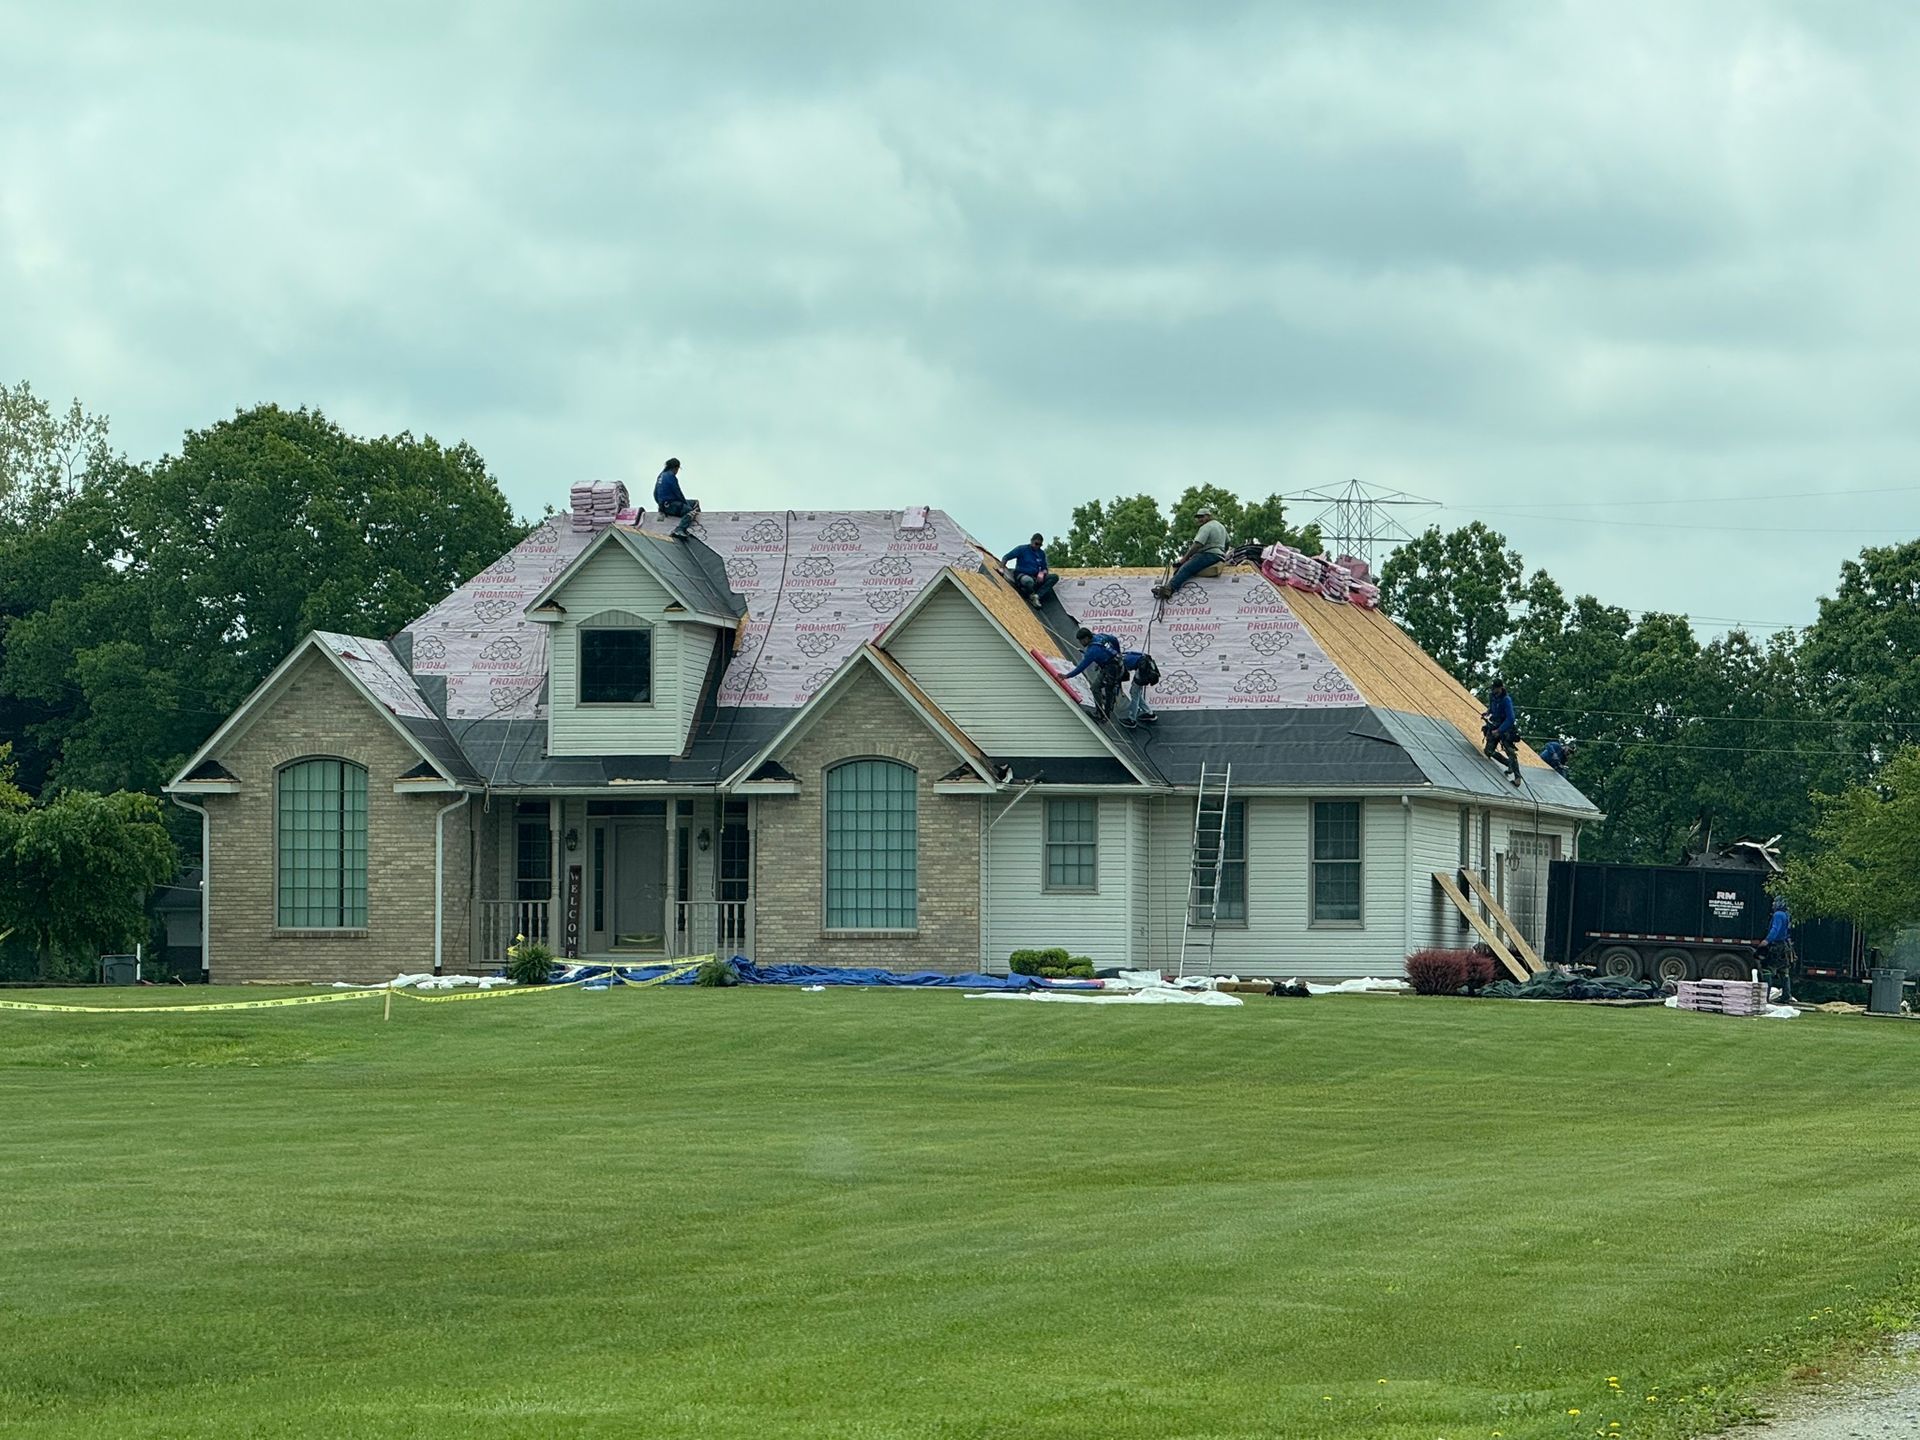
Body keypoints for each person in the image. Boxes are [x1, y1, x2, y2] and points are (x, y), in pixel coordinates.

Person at [1152, 508, 1229, 601]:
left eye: (1202, 517)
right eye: (1198, 517)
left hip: (1208, 554)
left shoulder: (1206, 527)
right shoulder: (1221, 527)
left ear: (1208, 516)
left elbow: (1197, 544)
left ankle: (1168, 589)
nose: (1199, 519)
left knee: (1185, 568)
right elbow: (1228, 542)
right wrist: (1222, 552)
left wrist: (1183, 559)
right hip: (1218, 556)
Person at [1063, 627, 1125, 721]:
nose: (1080, 643)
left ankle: (1103, 715)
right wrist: (1118, 652)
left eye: (1081, 640)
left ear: (1087, 638)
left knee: (1101, 690)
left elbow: (1081, 667)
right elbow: (1114, 639)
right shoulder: (1099, 636)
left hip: (1111, 670)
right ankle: (1103, 710)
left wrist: (1067, 676)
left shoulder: (1092, 651)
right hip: (1116, 664)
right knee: (1102, 689)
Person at [1482, 678, 1521, 787]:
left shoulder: (1506, 700)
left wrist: (1499, 731)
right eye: (1492, 688)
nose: (1493, 690)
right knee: (1488, 751)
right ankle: (1508, 764)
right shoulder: (1492, 697)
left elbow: (1511, 718)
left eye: (1495, 688)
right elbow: (1492, 709)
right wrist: (1487, 713)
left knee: (1510, 751)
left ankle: (1517, 777)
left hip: (1506, 727)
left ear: (1500, 688)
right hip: (1495, 724)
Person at [1001, 534, 1058, 608]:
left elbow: (1045, 568)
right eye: (1036, 544)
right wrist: (1002, 568)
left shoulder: (1041, 553)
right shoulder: (1022, 549)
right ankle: (1030, 595)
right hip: (1022, 575)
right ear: (1031, 541)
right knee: (1028, 581)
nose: (1037, 546)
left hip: (1035, 577)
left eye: (1040, 545)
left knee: (1054, 577)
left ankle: (1037, 596)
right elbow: (1006, 557)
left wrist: (1042, 573)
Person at [653, 458, 700, 539]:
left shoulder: (661, 475)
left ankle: (690, 522)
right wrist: (685, 504)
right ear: (676, 468)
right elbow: (677, 492)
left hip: (665, 504)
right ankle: (680, 529)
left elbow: (655, 493)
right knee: (690, 511)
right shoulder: (671, 476)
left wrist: (660, 506)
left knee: (695, 502)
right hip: (671, 505)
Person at [1760, 896, 1794, 1002]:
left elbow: (1775, 929)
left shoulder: (1778, 915)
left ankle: (1765, 996)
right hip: (1785, 946)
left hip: (1776, 946)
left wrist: (1767, 940)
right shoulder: (1786, 915)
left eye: (1775, 902)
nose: (1773, 904)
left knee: (1767, 969)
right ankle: (1786, 995)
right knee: (1784, 971)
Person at [1119, 650, 1159, 728]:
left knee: (1134, 695)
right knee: (1135, 693)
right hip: (1147, 666)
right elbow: (1143, 654)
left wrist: (1120, 689)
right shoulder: (1126, 653)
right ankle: (1149, 713)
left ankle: (1132, 720)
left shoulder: (1121, 662)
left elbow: (1121, 676)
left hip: (1143, 671)